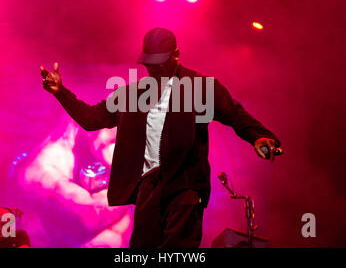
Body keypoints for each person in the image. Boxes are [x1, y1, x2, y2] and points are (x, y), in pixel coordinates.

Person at [40, 27, 281, 248]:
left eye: (160, 63)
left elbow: (235, 114)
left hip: (185, 185)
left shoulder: (201, 87)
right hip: (149, 187)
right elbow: (92, 119)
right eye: (149, 63)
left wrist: (259, 137)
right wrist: (61, 93)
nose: (154, 69)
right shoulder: (131, 94)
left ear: (176, 55)